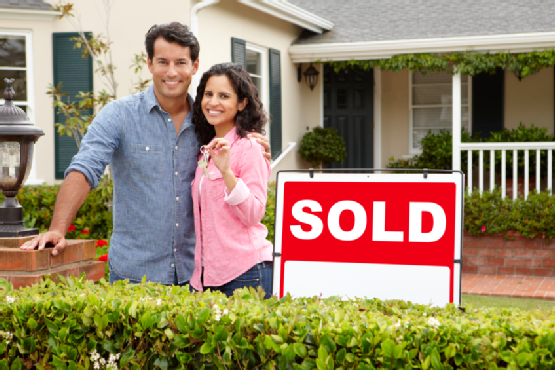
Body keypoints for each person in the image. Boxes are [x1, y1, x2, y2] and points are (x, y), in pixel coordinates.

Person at [20, 23, 271, 287]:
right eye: (163, 61)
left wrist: (252, 142)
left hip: (195, 278)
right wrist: (58, 229)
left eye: (180, 62)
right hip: (134, 275)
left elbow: (240, 155)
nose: (171, 72)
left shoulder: (210, 120)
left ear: (195, 66)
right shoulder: (119, 115)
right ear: (149, 63)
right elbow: (85, 168)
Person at [189, 63, 273, 299]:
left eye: (224, 96)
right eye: (209, 94)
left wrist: (227, 173)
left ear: (242, 103)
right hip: (208, 278)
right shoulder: (205, 151)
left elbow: (254, 214)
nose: (213, 102)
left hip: (246, 272)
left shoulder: (250, 147)